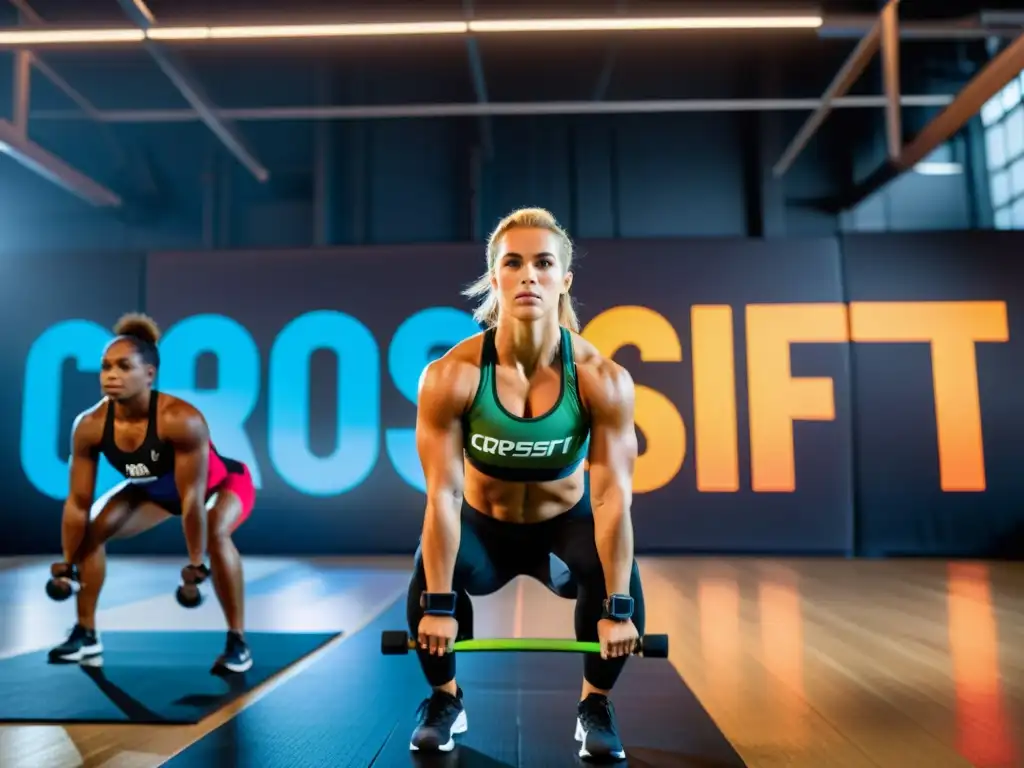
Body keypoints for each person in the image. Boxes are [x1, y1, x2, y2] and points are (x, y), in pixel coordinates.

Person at [407, 207, 645, 761]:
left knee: (619, 575)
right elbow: (442, 494)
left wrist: (619, 608)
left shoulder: (602, 379)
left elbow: (611, 499)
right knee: (425, 579)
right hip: (483, 528)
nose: (528, 275)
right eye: (513, 263)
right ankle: (444, 699)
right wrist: (439, 602)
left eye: (543, 263)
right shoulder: (451, 377)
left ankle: (596, 705)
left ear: (564, 280)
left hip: (564, 530)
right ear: (496, 278)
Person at [47, 313, 256, 675]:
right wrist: (68, 562)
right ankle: (86, 632)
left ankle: (238, 641)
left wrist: (195, 563)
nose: (111, 375)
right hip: (154, 490)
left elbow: (192, 499)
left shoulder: (181, 419)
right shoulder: (90, 426)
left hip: (219, 487)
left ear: (149, 375)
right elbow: (78, 502)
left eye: (123, 366)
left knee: (216, 530)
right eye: (105, 366)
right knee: (92, 529)